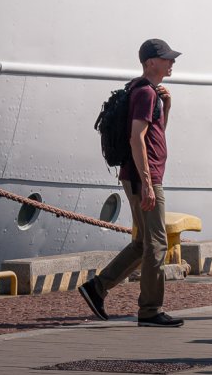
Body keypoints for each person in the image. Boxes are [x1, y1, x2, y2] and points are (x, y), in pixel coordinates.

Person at [78, 39, 184, 328]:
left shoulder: (146, 92)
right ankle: (150, 310)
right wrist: (148, 184)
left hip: (139, 175)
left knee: (141, 244)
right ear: (151, 63)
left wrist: (168, 105)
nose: (172, 62)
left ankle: (96, 288)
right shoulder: (145, 93)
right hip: (143, 177)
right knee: (157, 244)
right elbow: (136, 138)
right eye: (166, 59)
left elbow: (154, 134)